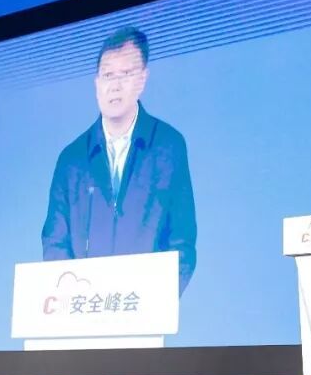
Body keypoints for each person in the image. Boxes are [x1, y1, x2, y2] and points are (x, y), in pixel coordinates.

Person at [41, 26, 197, 293]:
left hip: (144, 306)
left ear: (142, 79)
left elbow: (181, 241)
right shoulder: (71, 159)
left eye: (125, 74)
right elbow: (55, 242)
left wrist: (154, 301)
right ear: (96, 84)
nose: (114, 86)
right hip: (83, 309)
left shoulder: (168, 146)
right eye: (107, 75)